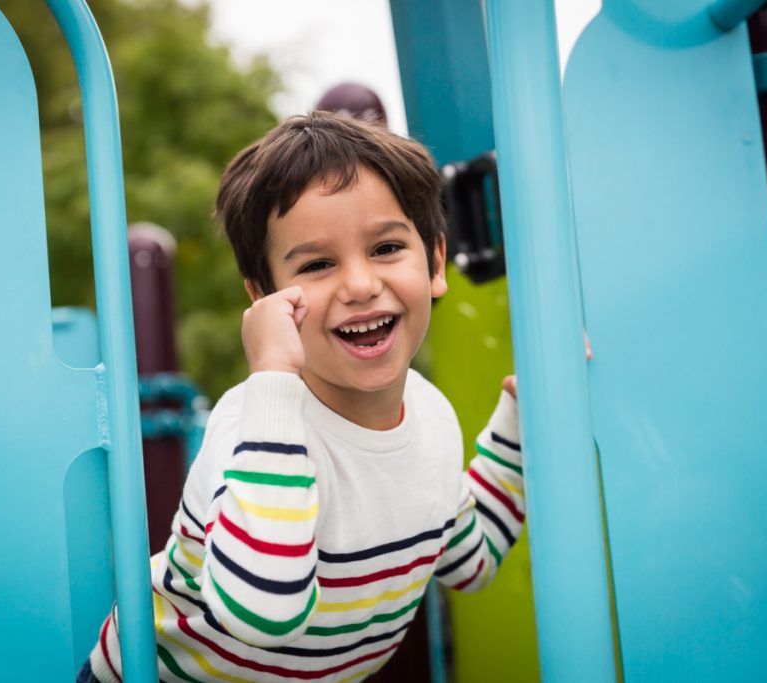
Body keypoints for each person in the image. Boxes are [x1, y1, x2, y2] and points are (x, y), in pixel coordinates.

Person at [80, 111, 524, 683]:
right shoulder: (255, 425)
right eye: (317, 264)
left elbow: (471, 560)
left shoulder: (432, 418)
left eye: (387, 247)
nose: (361, 285)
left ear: (436, 261)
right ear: (264, 297)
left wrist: (520, 422)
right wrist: (271, 378)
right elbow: (262, 614)